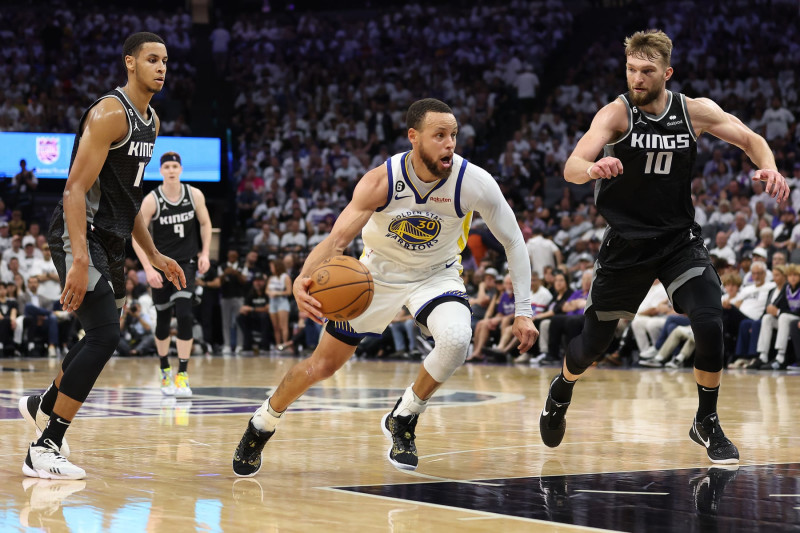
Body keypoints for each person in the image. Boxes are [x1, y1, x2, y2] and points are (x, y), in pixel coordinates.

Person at [232, 98, 537, 476]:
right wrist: (301, 279)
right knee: (321, 366)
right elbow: (336, 240)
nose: (450, 144)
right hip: (375, 276)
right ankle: (262, 423)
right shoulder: (381, 180)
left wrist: (523, 311)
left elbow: (514, 241)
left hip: (436, 275)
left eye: (454, 135)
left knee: (458, 339)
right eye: (439, 135)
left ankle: (405, 416)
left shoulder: (473, 182)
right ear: (414, 137)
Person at [539, 30, 789, 465]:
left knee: (710, 318)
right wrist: (593, 167)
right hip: (626, 244)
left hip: (678, 240)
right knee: (591, 347)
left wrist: (770, 168)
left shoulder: (693, 111)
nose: (636, 78)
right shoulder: (615, 114)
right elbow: (571, 166)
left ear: (666, 73)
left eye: (646, 71)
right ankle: (562, 387)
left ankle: (706, 421)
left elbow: (751, 139)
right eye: (631, 70)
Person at [17, 32, 185, 480]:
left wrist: (154, 255)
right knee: (106, 335)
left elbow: (127, 201)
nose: (161, 68)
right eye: (152, 59)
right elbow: (73, 188)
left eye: (165, 60)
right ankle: (45, 445)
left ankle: (42, 405)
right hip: (79, 232)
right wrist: (76, 259)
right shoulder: (111, 113)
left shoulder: (152, 121)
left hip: (111, 240)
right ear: (130, 63)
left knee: (99, 333)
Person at [132, 151, 212, 397]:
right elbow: (137, 236)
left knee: (185, 315)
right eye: (166, 166)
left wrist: (205, 253)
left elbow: (205, 223)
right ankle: (165, 369)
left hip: (186, 263)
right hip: (161, 266)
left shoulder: (194, 194)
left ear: (181, 169)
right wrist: (148, 269)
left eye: (174, 166)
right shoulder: (152, 199)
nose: (171, 170)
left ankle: (183, 375)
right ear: (161, 170)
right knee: (163, 320)